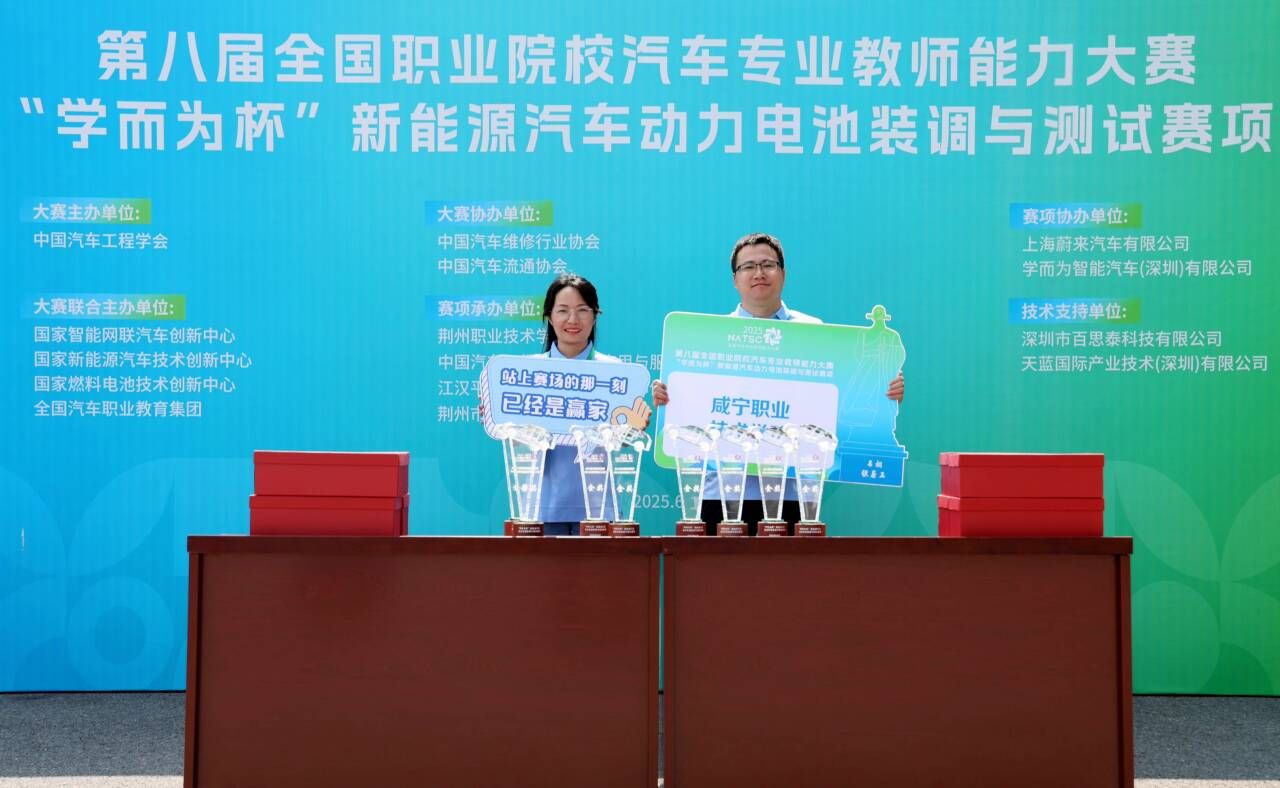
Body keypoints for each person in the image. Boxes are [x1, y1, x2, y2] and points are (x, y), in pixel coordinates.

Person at [651, 232, 904, 535]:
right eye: (748, 266)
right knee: (720, 568)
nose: (758, 273)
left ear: (783, 273)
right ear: (735, 279)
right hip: (721, 490)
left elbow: (842, 399)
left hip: (794, 491)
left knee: (785, 568)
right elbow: (689, 412)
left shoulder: (814, 333)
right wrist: (670, 398)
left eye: (767, 264)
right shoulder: (710, 337)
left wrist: (882, 391)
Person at [531, 273, 651, 535]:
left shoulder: (616, 373)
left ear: (595, 316)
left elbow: (624, 442)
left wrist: (633, 429)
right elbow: (515, 437)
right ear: (549, 317)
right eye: (563, 310)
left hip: (599, 508)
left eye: (582, 310)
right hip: (542, 507)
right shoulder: (527, 374)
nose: (573, 320)